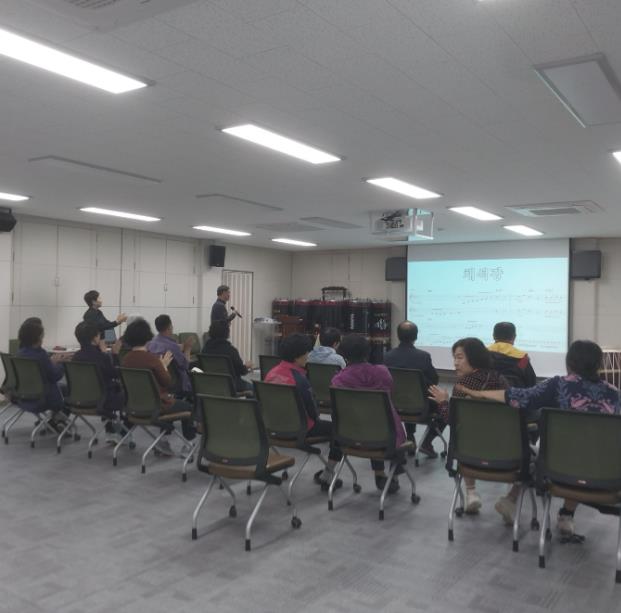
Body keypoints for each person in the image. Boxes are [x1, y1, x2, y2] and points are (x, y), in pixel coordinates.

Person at [457, 340, 620, 537]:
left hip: (559, 468)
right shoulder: (615, 394)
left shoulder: (557, 385)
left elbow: (516, 396)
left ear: (569, 363)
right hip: (606, 473)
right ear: (598, 365)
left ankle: (512, 500)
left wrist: (479, 393)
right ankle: (566, 515)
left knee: (532, 455)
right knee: (585, 452)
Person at [428, 337, 508, 514]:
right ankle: (511, 500)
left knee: (465, 435)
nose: (455, 363)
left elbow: (451, 420)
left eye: (460, 357)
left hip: (470, 451)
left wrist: (443, 402)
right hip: (506, 451)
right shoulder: (501, 380)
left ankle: (471, 493)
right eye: (454, 358)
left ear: (474, 357)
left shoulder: (463, 385)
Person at [265, 333, 343, 489]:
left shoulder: (271, 373)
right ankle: (327, 475)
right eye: (307, 353)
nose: (308, 356)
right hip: (300, 429)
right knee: (340, 429)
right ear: (297, 357)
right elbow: (313, 413)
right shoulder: (300, 380)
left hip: (272, 428)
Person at [331, 334, 407, 495]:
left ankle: (380, 473)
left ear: (343, 353)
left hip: (351, 434)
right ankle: (389, 475)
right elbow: (391, 395)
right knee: (379, 422)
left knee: (368, 422)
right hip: (386, 435)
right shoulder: (382, 372)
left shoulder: (338, 380)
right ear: (368, 351)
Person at [121, 319, 196, 455]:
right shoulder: (152, 359)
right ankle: (189, 444)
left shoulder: (125, 359)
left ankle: (164, 441)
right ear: (147, 336)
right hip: (156, 406)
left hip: (133, 406)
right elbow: (167, 382)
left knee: (170, 402)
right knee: (188, 407)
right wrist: (163, 366)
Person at [384, 320, 439, 458]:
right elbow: (434, 381)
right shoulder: (423, 356)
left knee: (407, 396)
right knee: (445, 408)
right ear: (416, 336)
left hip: (393, 405)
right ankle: (427, 443)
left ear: (398, 336)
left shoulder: (387, 356)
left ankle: (410, 435)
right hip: (421, 406)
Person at [72, 322, 125, 443]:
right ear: (94, 338)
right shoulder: (101, 357)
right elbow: (116, 374)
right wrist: (114, 355)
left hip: (80, 399)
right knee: (127, 395)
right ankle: (122, 433)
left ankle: (111, 430)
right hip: (103, 401)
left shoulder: (76, 357)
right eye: (98, 335)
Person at [15, 318, 67, 426]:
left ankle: (54, 419)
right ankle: (57, 420)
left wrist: (50, 362)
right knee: (67, 389)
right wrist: (61, 364)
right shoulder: (41, 355)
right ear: (38, 337)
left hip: (23, 396)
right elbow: (55, 376)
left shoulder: (19, 354)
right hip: (43, 399)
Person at [201, 320, 253, 394]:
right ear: (227, 333)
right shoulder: (231, 351)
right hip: (231, 384)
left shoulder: (205, 349)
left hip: (211, 384)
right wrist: (247, 366)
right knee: (255, 389)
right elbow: (241, 371)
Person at [147, 314, 193, 397]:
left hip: (157, 382)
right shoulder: (172, 347)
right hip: (176, 384)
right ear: (169, 327)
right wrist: (188, 349)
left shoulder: (150, 343)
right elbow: (185, 366)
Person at [488, 322, 537, 388]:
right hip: (514, 393)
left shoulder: (483, 354)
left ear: (493, 335)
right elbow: (531, 383)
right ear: (514, 337)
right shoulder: (523, 358)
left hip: (487, 392)